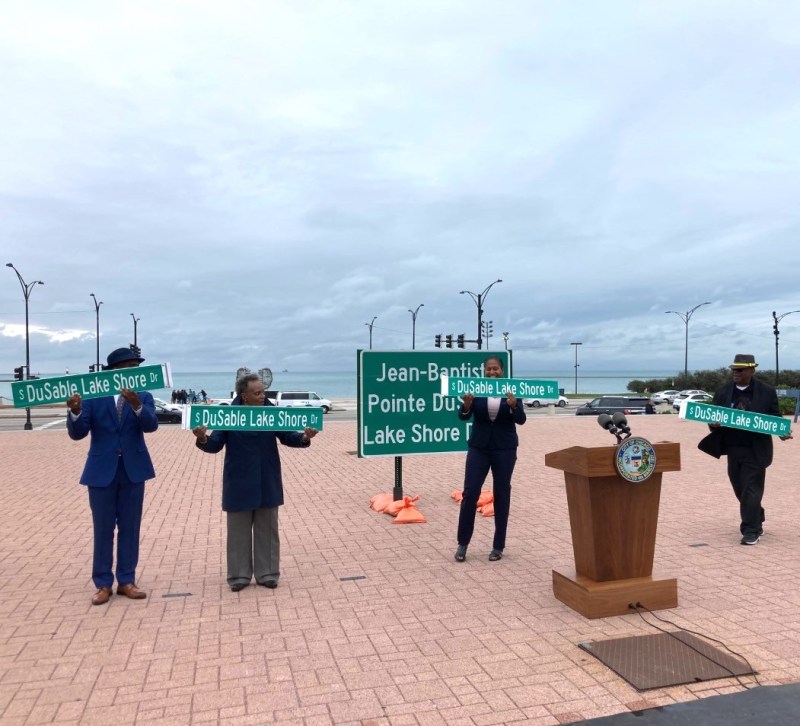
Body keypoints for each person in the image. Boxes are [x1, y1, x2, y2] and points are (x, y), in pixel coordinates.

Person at [192, 373, 318, 591]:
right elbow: (214, 445)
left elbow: (289, 436)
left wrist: (305, 437)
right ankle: (239, 576)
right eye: (256, 393)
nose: (262, 397)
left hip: (267, 479)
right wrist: (202, 437)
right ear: (244, 395)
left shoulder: (273, 413)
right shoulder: (228, 415)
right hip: (238, 482)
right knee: (238, 533)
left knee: (268, 531)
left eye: (263, 392)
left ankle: (267, 573)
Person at [66, 347, 158, 605]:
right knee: (103, 529)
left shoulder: (144, 395)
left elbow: (151, 425)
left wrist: (137, 404)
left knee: (130, 527)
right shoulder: (94, 397)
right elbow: (78, 433)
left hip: (133, 470)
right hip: (101, 472)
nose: (135, 371)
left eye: (136, 367)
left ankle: (127, 581)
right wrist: (74, 412)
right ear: (115, 371)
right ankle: (103, 584)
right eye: (129, 366)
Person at [708, 353, 792, 545]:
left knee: (751, 490)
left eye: (740, 370)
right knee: (740, 489)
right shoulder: (722, 391)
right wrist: (713, 424)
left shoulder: (767, 391)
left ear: (752, 370)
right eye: (733, 369)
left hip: (756, 450)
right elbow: (712, 418)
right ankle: (757, 515)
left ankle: (750, 530)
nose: (735, 373)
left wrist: (781, 431)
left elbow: (774, 417)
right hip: (732, 448)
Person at [454, 355, 526, 562]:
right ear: (484, 371)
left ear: (502, 371)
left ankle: (498, 546)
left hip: (505, 449)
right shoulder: (475, 389)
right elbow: (463, 416)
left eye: (496, 369)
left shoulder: (512, 390)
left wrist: (513, 406)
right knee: (470, 493)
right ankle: (462, 544)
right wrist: (466, 406)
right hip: (479, 448)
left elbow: (521, 420)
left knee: (502, 494)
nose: (492, 372)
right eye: (489, 369)